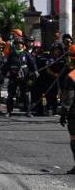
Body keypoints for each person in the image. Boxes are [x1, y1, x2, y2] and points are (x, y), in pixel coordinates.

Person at [3, 37, 37, 117]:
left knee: (26, 94)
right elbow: (6, 66)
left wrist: (35, 71)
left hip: (24, 78)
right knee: (10, 94)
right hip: (13, 77)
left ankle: (28, 111)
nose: (19, 45)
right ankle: (9, 111)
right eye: (17, 44)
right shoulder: (11, 55)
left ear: (23, 45)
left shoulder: (26, 54)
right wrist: (3, 74)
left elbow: (32, 64)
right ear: (14, 45)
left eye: (20, 44)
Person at [57, 44, 75, 174]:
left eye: (70, 57)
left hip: (74, 113)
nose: (67, 60)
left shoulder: (71, 76)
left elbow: (68, 100)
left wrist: (63, 114)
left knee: (74, 140)